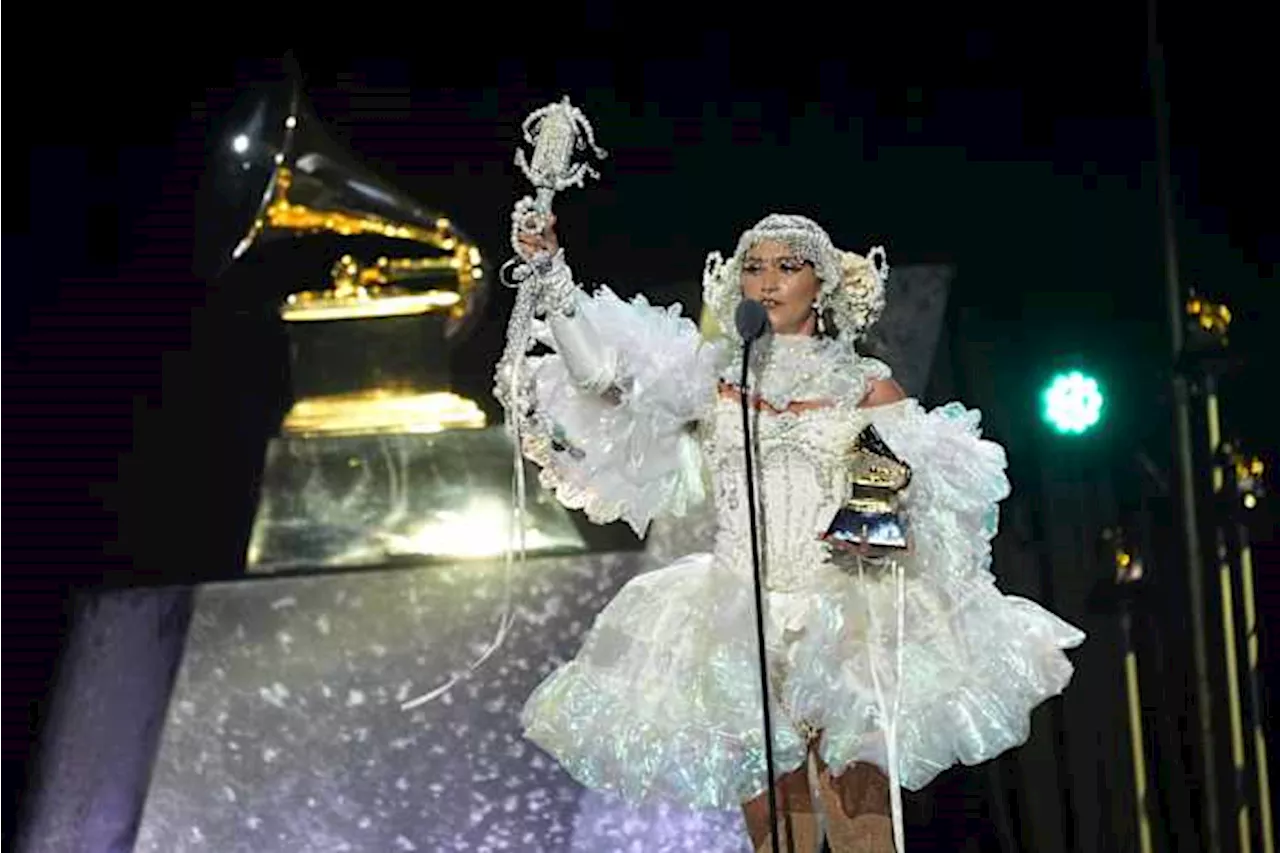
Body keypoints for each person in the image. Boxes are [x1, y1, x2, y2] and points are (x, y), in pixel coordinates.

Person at [496, 212, 1086, 852]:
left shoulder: (861, 386)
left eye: (787, 267)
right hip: (736, 617)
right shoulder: (713, 379)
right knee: (779, 835)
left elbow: (932, 488)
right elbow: (602, 377)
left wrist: (884, 512)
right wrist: (551, 276)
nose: (768, 282)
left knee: (861, 830)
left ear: (821, 284)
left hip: (841, 615)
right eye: (754, 268)